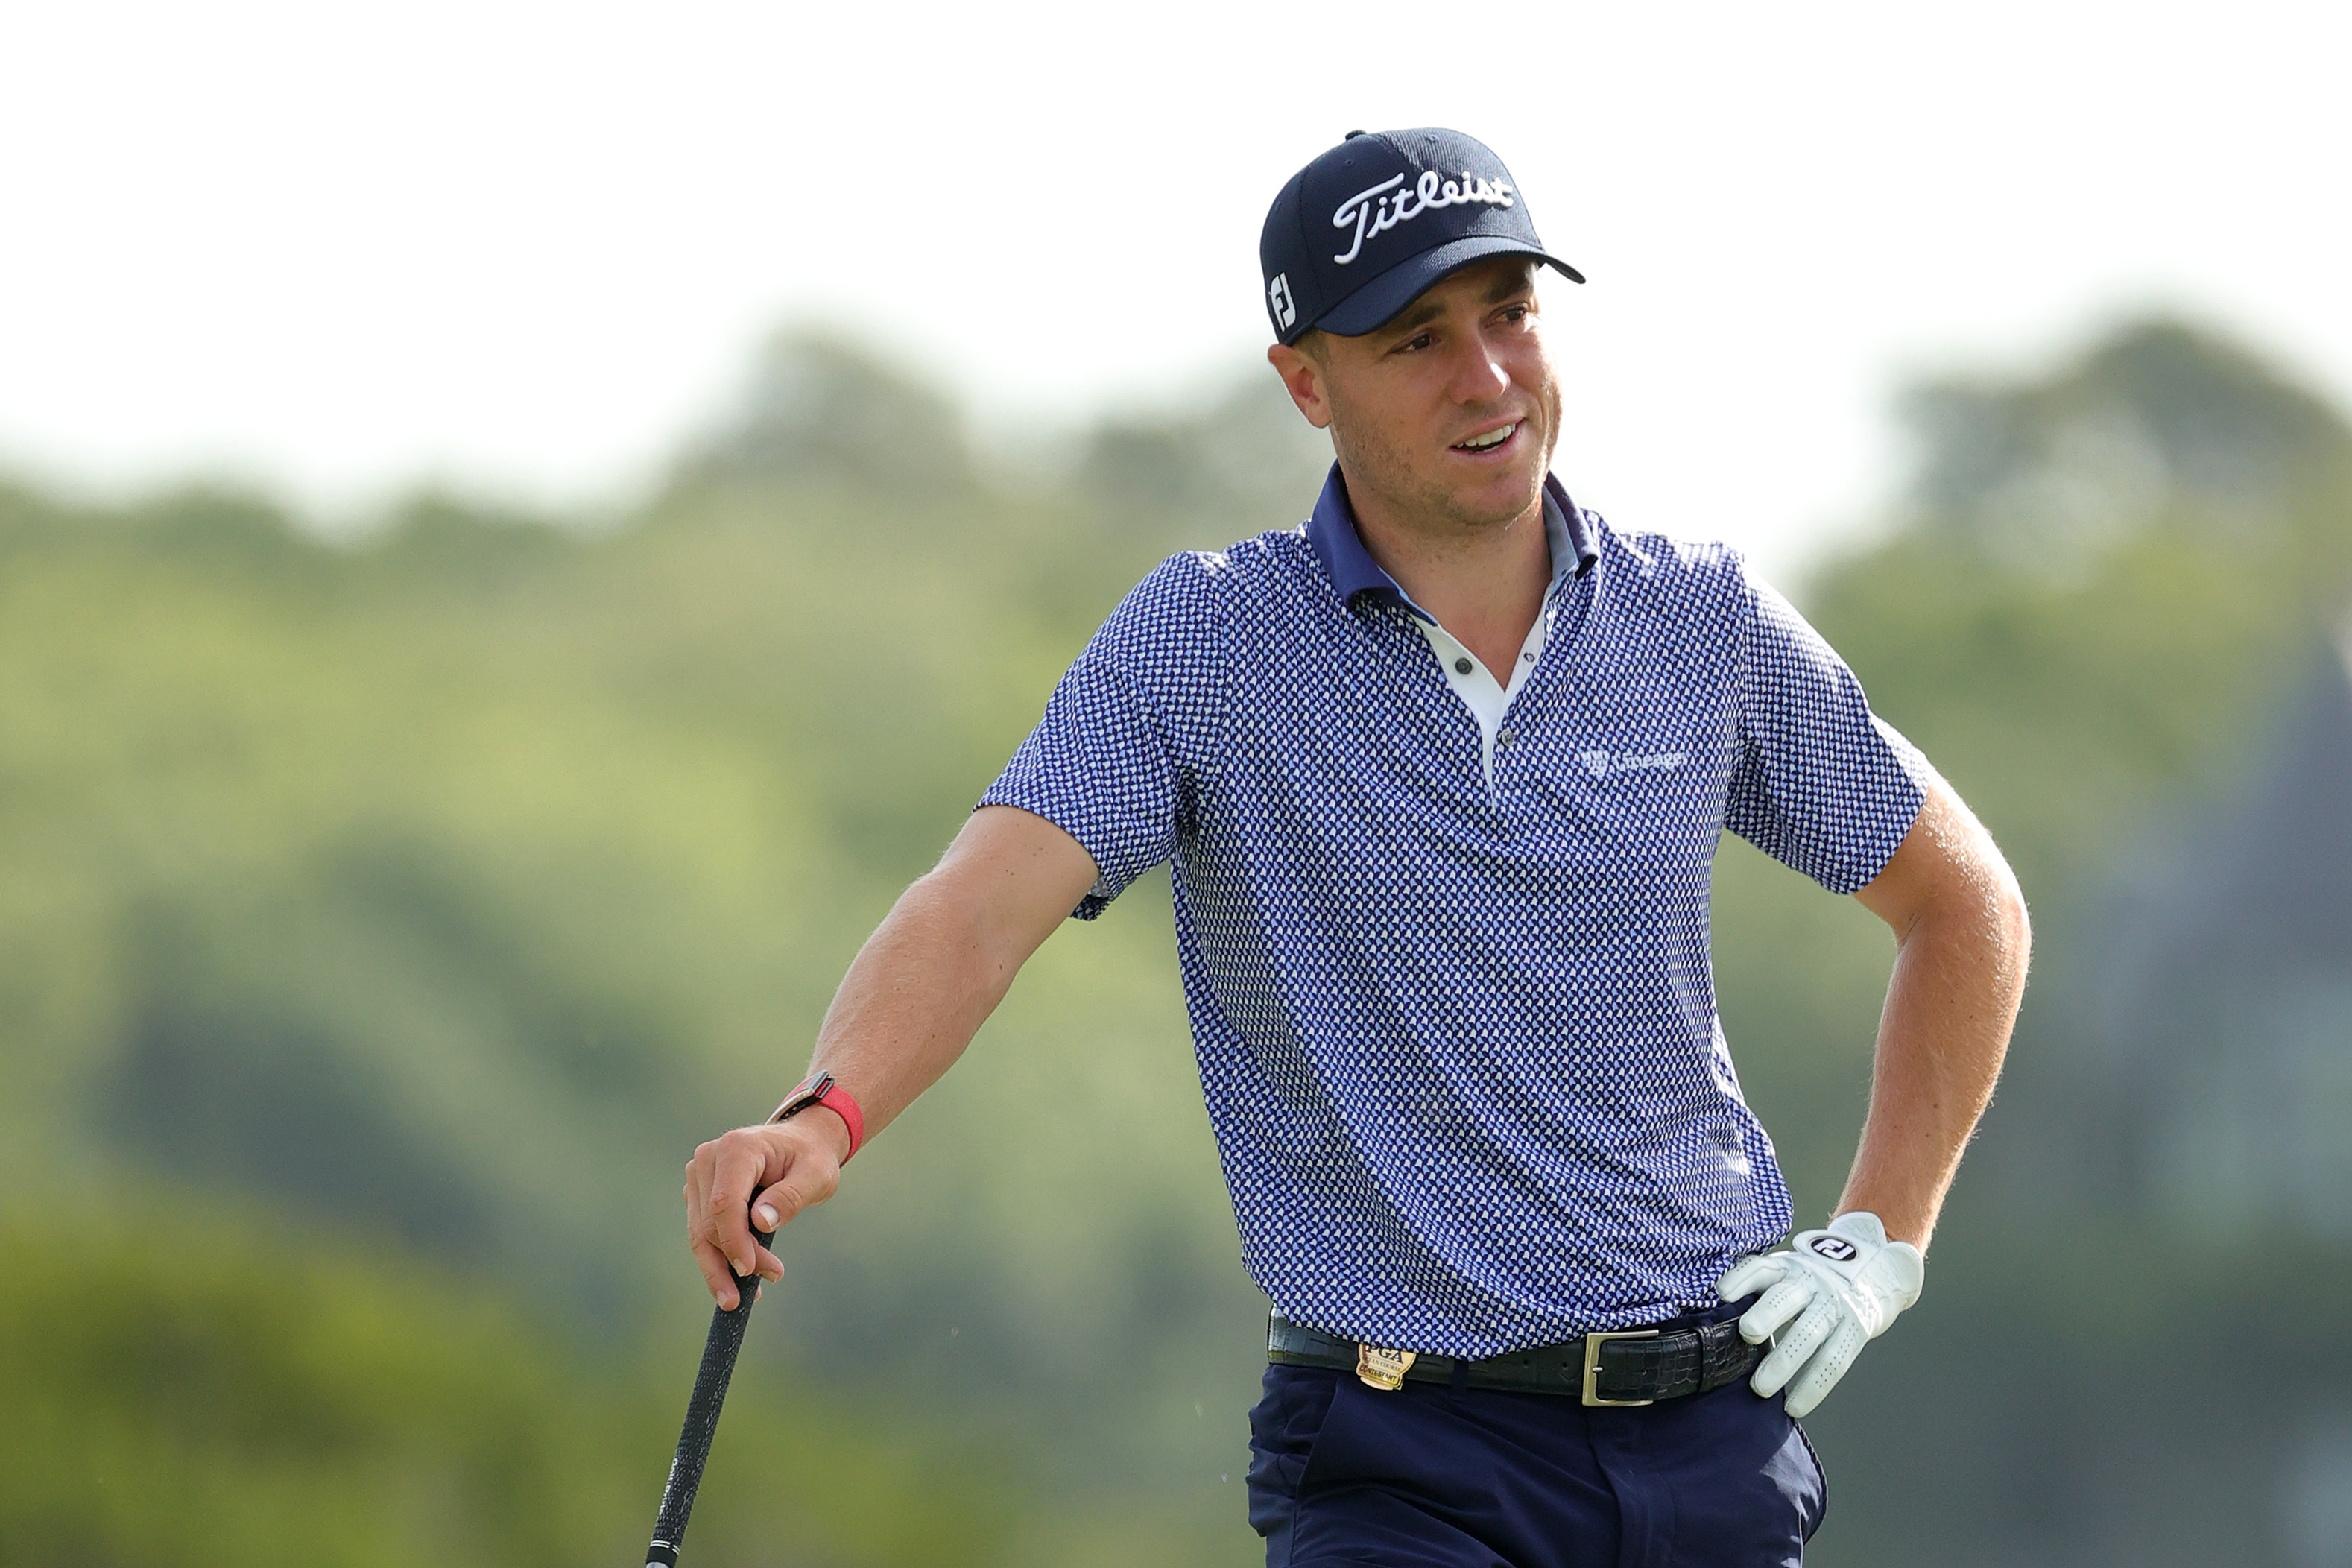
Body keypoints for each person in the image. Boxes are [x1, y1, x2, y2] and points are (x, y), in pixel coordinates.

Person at [680, 127, 2029, 1566]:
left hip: (1711, 1446)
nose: (1488, 375)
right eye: (1415, 339)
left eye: (1510, 311)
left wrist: (1880, 1243)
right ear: (1306, 382)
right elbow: (977, 909)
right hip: (1403, 1463)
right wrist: (823, 1116)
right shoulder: (1208, 642)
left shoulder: (1697, 620)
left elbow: (1964, 905)